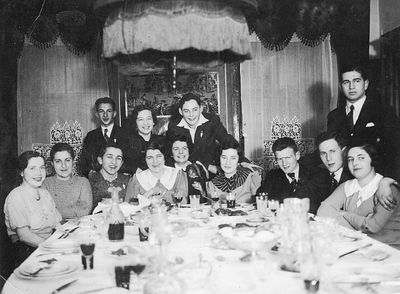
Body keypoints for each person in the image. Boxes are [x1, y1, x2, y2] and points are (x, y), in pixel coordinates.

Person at [327, 64, 400, 184]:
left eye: (356, 81)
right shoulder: (334, 116)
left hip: (377, 180)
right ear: (340, 86)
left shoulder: (383, 111)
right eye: (346, 82)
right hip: (345, 182)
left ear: (365, 84)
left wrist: (388, 180)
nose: (351, 86)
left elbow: (396, 149)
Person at [317, 143, 400, 246]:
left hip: (390, 249)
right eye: (350, 159)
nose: (355, 163)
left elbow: (373, 227)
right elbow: (322, 211)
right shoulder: (347, 186)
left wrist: (344, 214)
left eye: (361, 158)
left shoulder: (388, 189)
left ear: (372, 160)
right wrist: (358, 229)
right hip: (360, 246)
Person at [166, 93, 249, 176]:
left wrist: (242, 160)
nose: (191, 115)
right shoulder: (174, 127)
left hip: (214, 170)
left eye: (195, 110)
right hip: (188, 170)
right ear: (181, 111)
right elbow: (175, 153)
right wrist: (206, 165)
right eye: (186, 111)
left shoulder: (211, 120)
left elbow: (226, 140)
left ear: (201, 108)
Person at [4, 151, 62, 266]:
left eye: (41, 168)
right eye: (32, 168)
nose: (39, 173)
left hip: (48, 246)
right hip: (27, 252)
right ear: (21, 172)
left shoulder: (45, 194)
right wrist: (53, 249)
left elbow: (58, 224)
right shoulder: (16, 197)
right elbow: (24, 236)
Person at [317, 131, 398, 205]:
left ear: (344, 151)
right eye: (323, 153)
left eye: (332, 151)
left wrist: (385, 182)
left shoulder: (358, 171)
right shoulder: (318, 176)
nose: (328, 158)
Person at [257, 137, 329, 214]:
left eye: (287, 157)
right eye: (280, 159)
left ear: (297, 155)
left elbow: (323, 204)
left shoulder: (317, 174)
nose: (284, 163)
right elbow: (261, 198)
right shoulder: (273, 176)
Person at [42, 143, 92, 219]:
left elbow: (85, 210)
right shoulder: (45, 184)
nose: (63, 166)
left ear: (73, 161)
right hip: (52, 228)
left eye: (67, 160)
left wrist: (55, 211)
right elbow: (45, 212)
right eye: (58, 161)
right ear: (52, 163)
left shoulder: (83, 182)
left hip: (80, 228)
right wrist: (74, 210)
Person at [79, 97, 127, 177]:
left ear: (114, 113)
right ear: (97, 114)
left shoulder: (125, 134)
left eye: (109, 111)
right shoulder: (91, 136)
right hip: (97, 180)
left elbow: (129, 161)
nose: (105, 115)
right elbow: (85, 163)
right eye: (101, 111)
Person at [124, 105, 166, 174]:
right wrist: (134, 170)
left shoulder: (162, 141)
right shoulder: (127, 142)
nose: (145, 123)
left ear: (153, 121)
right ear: (135, 123)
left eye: (148, 119)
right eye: (141, 119)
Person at [167, 135, 209, 202]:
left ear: (189, 151)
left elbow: (208, 198)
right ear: (171, 153)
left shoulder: (198, 168)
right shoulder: (167, 170)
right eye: (176, 149)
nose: (181, 152)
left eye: (184, 148)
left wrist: (202, 191)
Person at [88, 143, 130, 209]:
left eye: (118, 158)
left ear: (121, 163)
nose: (114, 162)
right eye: (109, 157)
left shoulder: (128, 181)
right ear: (100, 160)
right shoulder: (90, 182)